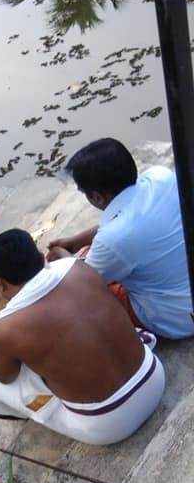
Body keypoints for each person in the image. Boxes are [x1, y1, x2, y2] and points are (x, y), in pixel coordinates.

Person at [0, 229, 165, 445]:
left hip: (109, 425)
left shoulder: (2, 327)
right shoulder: (79, 267)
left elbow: (3, 377)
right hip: (154, 377)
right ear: (41, 258)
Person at [46, 138, 194, 339]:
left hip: (178, 318)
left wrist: (63, 255)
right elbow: (127, 220)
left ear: (97, 197)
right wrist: (77, 240)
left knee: (77, 295)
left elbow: (83, 283)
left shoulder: (112, 240)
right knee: (97, 256)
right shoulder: (161, 177)